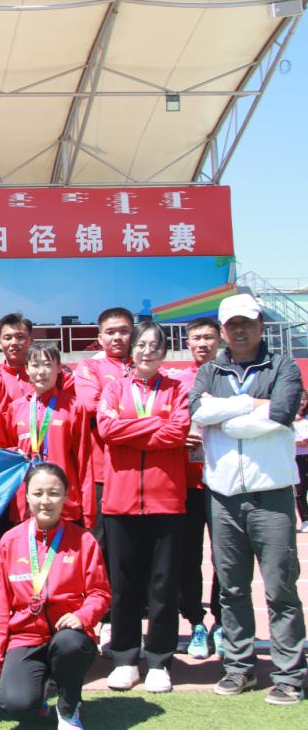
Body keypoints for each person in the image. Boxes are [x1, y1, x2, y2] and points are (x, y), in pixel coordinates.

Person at [190, 293, 306, 705]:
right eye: (232, 324)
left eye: (247, 323)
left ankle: (290, 674)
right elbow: (198, 412)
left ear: (260, 326)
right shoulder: (209, 370)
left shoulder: (283, 366)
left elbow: (283, 412)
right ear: (223, 331)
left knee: (280, 589)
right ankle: (239, 667)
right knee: (232, 589)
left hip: (271, 494)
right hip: (223, 497)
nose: (239, 330)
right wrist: (249, 405)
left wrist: (231, 420)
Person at [97, 321, 189, 693]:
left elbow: (178, 431)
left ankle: (159, 661)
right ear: (131, 351)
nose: (147, 351)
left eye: (155, 346)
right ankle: (124, 658)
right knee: (124, 585)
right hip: (120, 502)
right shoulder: (114, 388)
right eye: (141, 345)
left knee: (163, 585)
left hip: (166, 500)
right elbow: (107, 430)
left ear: (164, 352)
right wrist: (154, 424)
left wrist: (132, 427)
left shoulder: (177, 389)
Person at [0, 462, 110, 730]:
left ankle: (68, 709)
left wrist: (83, 616)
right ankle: (38, 697)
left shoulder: (84, 540)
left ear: (66, 496)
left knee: (69, 645)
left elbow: (100, 592)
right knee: (16, 704)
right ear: (27, 496)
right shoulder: (10, 541)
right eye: (38, 493)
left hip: (69, 636)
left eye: (54, 493)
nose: (45, 501)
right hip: (26, 637)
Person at [73, 306, 134, 654]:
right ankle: (101, 620)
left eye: (123, 330)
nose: (117, 337)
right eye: (110, 331)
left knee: (133, 553)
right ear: (99, 337)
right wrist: (140, 417)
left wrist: (116, 415)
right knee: (100, 550)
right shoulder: (90, 367)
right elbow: (90, 406)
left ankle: (126, 623)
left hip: (139, 476)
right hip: (101, 474)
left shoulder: (144, 366)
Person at [166, 317, 224, 659]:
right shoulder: (177, 381)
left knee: (225, 558)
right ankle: (196, 622)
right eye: (196, 338)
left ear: (220, 340)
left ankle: (223, 622)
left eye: (208, 337)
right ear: (187, 343)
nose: (202, 343)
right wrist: (179, 437)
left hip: (225, 483)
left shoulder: (230, 377)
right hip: (186, 483)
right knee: (188, 557)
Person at [6, 343, 91, 527]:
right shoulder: (16, 408)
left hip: (64, 503)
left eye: (47, 365)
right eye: (35, 365)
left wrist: (89, 512)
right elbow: (8, 454)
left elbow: (84, 461)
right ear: (26, 368)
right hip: (25, 504)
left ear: (58, 368)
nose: (41, 371)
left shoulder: (74, 407)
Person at [0, 313, 35, 402]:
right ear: (0, 344)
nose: (14, 343)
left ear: (31, 341)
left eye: (20, 337)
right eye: (7, 338)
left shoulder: (44, 375)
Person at [295, 390, 308, 533]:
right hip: (297, 458)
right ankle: (305, 520)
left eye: (304, 399)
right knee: (300, 490)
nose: (302, 402)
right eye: (300, 399)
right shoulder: (288, 417)